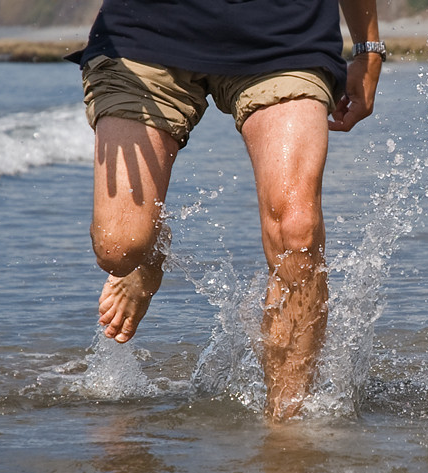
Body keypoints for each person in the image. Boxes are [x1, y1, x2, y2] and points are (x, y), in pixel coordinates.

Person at [67, 0, 385, 421]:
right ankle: (148, 254)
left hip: (285, 30)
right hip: (146, 31)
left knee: (297, 230)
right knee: (119, 246)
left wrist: (368, 47)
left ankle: (288, 431)